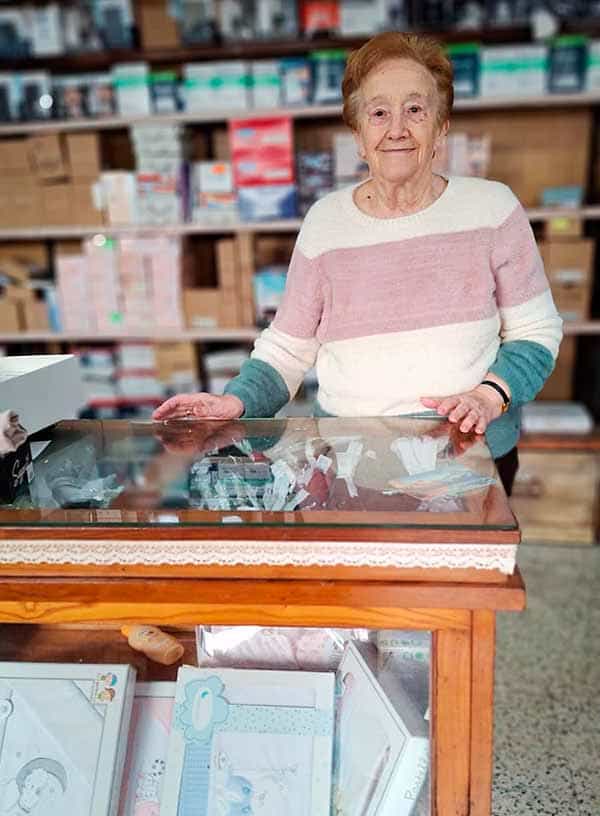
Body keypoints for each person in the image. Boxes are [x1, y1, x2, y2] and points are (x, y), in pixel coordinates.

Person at [153, 31, 563, 495]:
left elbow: (537, 331)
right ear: (359, 136)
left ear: (441, 126)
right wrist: (236, 400)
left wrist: (489, 396)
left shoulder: (493, 209)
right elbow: (287, 350)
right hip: (352, 461)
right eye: (379, 113)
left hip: (470, 454)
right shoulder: (326, 223)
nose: (397, 129)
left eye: (415, 110)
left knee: (464, 570)